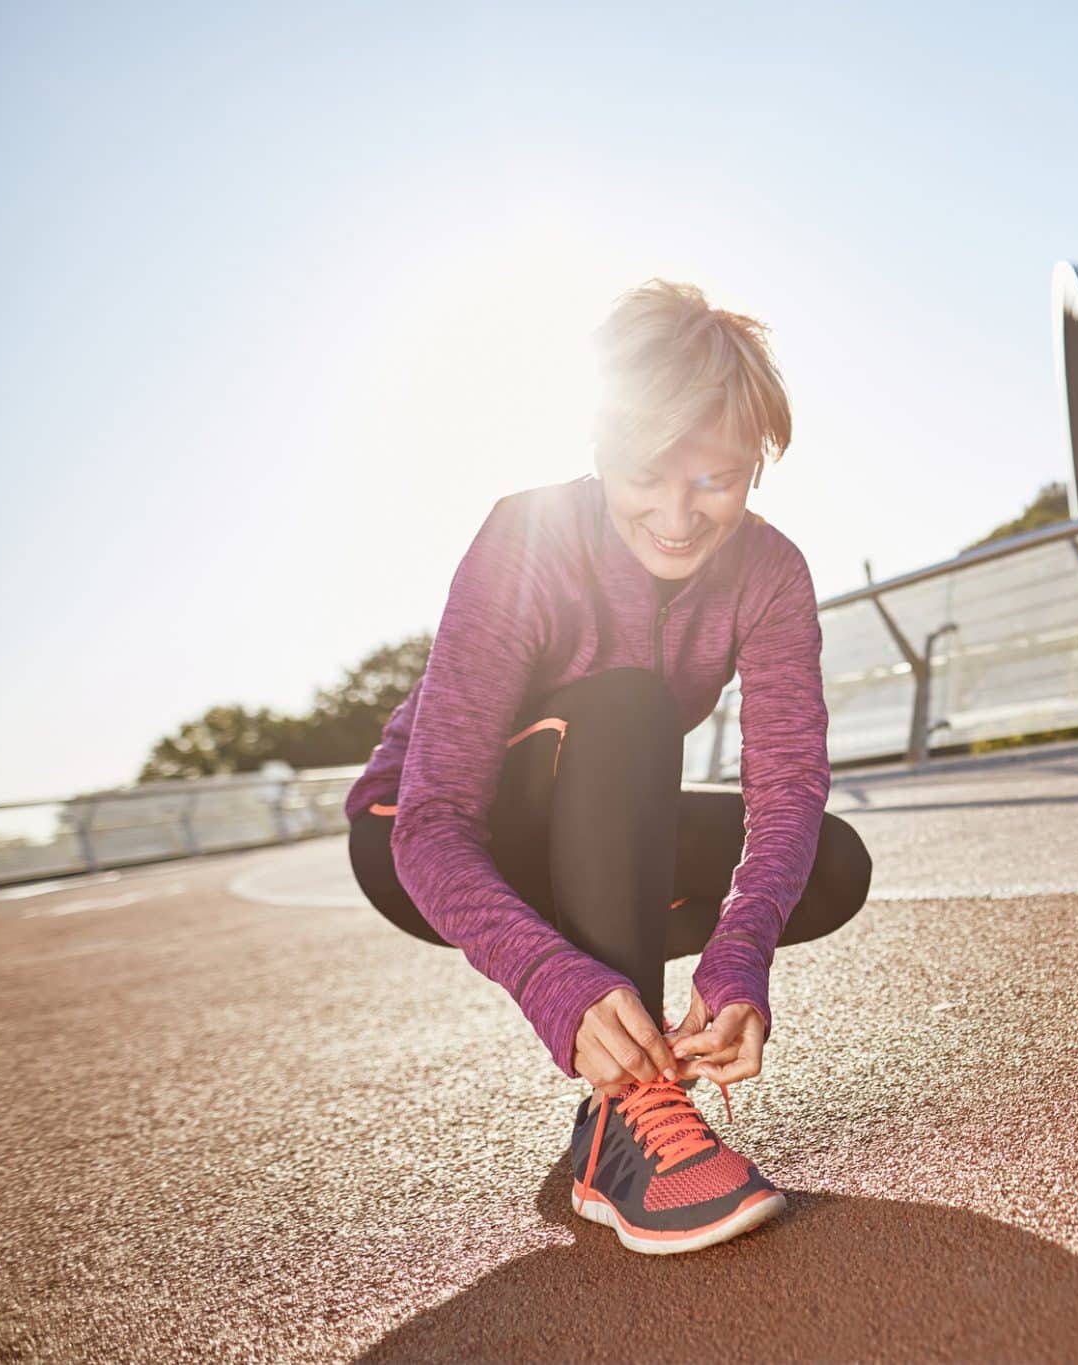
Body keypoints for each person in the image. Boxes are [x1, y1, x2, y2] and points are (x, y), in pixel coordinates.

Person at [344, 280, 873, 1255]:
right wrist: (555, 983)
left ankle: (623, 1088)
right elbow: (430, 820)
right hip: (418, 837)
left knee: (829, 863)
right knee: (627, 705)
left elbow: (786, 785)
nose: (676, 517)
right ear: (599, 451)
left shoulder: (769, 574)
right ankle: (628, 1110)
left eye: (713, 480)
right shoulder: (528, 537)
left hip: (592, 821)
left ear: (755, 466)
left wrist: (739, 953)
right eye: (645, 476)